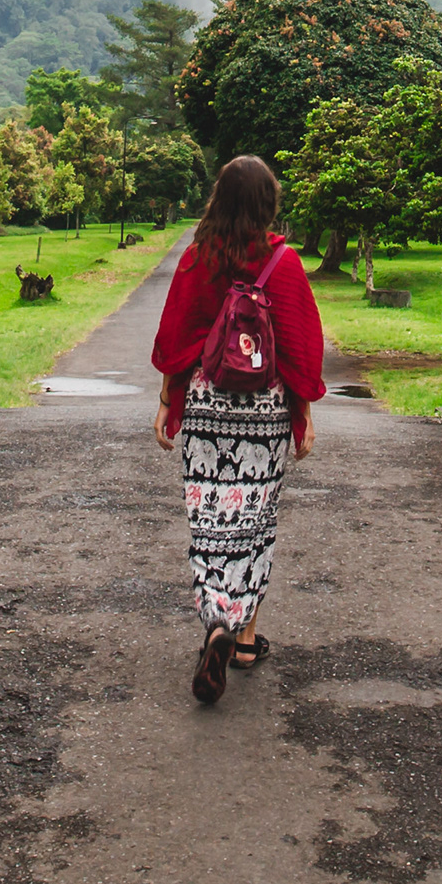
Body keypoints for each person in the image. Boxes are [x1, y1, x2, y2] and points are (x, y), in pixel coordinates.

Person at [150, 152, 325, 707]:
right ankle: (244, 639)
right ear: (268, 204)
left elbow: (176, 336)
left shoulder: (198, 257)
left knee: (211, 524)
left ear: (217, 199)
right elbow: (300, 346)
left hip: (208, 409)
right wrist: (303, 414)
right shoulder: (285, 263)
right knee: (254, 523)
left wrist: (166, 402)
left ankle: (216, 623)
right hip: (264, 413)